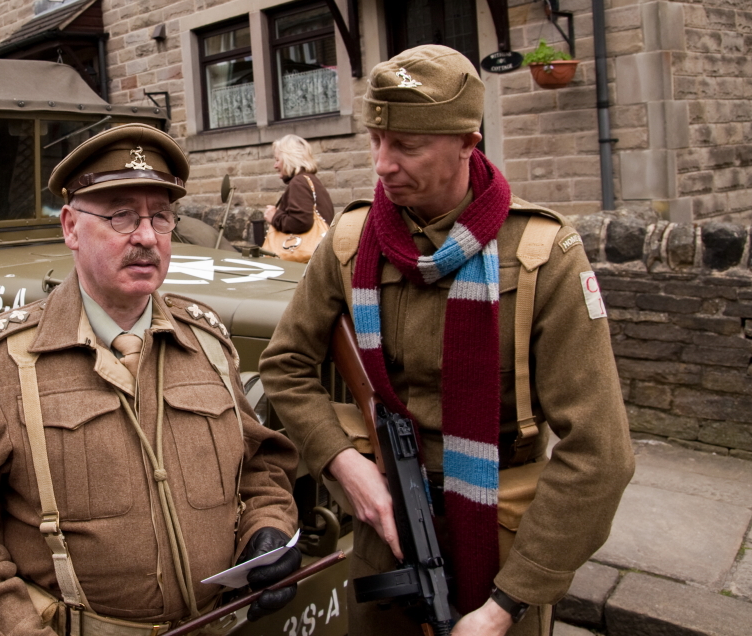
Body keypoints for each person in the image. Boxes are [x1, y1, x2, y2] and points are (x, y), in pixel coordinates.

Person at [258, 45, 634, 636]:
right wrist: (344, 463)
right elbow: (285, 364)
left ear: (467, 141)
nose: (382, 164)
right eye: (375, 139)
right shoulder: (352, 240)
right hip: (385, 526)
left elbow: (601, 454)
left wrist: (508, 603)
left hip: (502, 543)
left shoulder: (541, 254)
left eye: (406, 145)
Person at [0, 123, 302, 636]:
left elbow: (259, 466)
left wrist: (267, 525)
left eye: (160, 216)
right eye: (120, 215)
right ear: (71, 227)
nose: (146, 236)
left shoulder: (207, 343)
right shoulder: (2, 365)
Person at [263, 134, 334, 237]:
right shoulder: (310, 180)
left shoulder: (299, 182)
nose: (275, 165)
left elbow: (300, 222)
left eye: (277, 160)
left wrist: (274, 217)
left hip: (307, 251)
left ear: (289, 159)